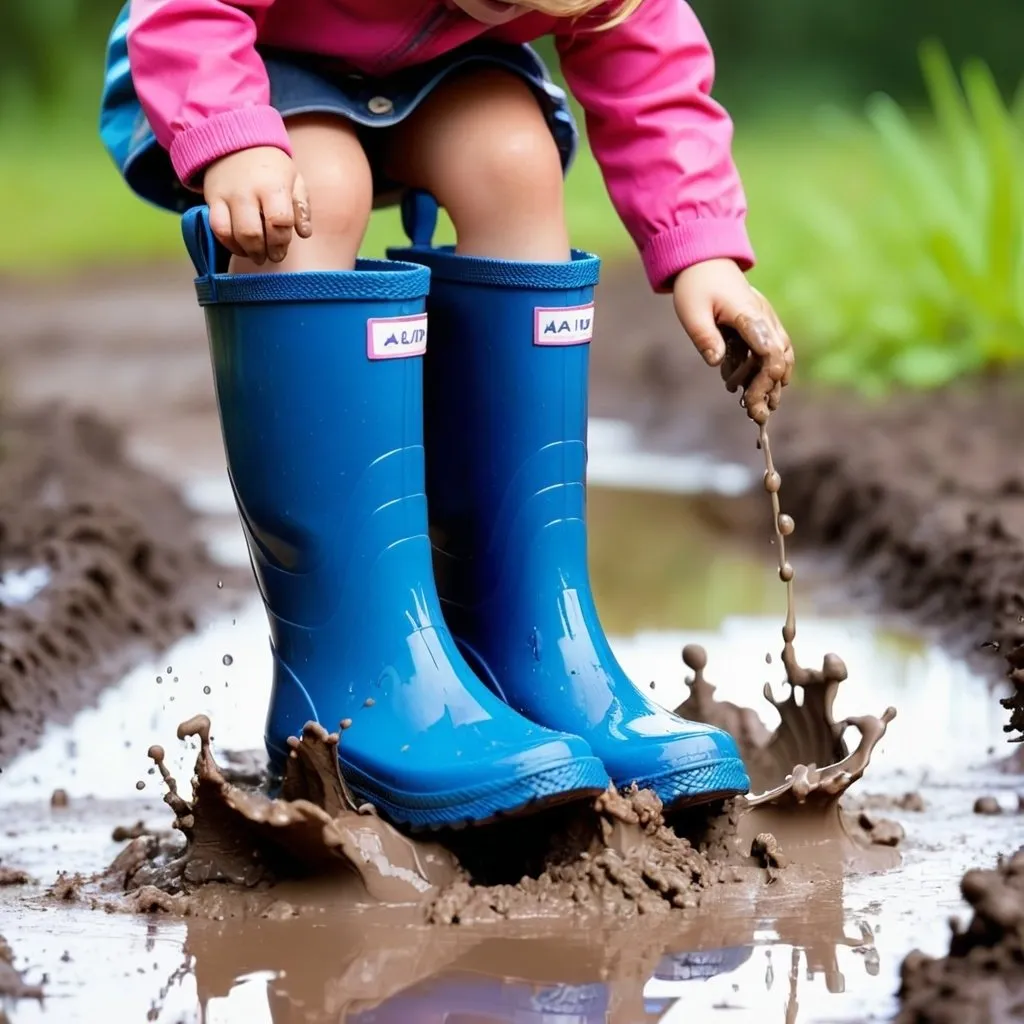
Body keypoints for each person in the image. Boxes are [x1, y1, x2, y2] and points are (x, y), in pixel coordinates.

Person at [99, 0, 794, 831]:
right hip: (243, 67)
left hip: (438, 76)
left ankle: (530, 654)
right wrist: (229, 132)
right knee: (322, 183)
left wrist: (703, 248)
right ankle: (357, 683)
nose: (518, 11)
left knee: (515, 159)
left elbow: (650, 68)